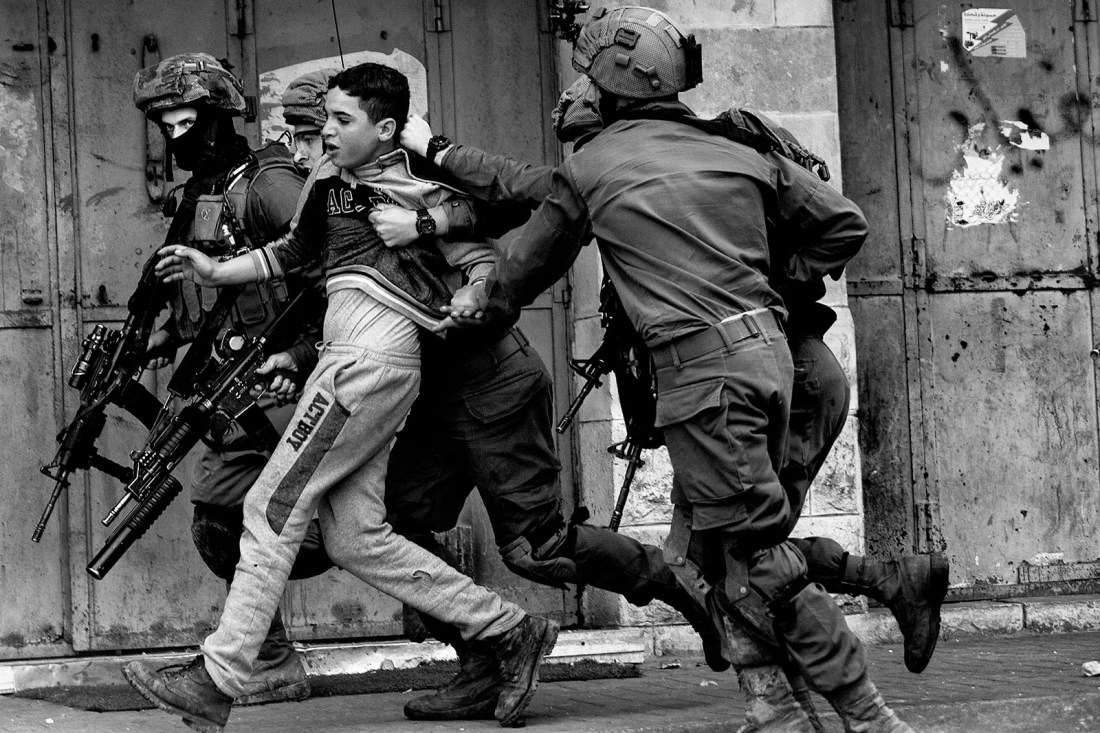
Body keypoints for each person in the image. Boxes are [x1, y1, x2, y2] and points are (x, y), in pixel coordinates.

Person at [441, 7, 915, 732]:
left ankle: (869, 715)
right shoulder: (737, 148)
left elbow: (517, 274)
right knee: (723, 549)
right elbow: (843, 223)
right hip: (770, 359)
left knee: (760, 560)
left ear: (606, 83)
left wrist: (477, 306)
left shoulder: (591, 167)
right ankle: (776, 710)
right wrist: (776, 273)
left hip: (704, 379)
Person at [276, 64, 728, 723]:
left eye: (318, 135)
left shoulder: (423, 177)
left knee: (536, 548)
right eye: (304, 138)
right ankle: (485, 659)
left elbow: (541, 197)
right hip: (435, 399)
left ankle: (686, 586)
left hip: (493, 385)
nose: (305, 152)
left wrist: (435, 177)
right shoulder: (332, 204)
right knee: (386, 523)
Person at [122, 62, 558, 733]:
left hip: (368, 363)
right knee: (355, 535)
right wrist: (213, 267)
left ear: (385, 128)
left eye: (341, 121)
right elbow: (289, 253)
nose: (324, 131)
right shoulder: (331, 184)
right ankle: (509, 629)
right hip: (346, 362)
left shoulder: (414, 188)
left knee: (271, 505)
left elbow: (487, 250)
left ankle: (218, 676)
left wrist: (460, 274)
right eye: (323, 119)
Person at [130, 53, 335, 707]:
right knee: (220, 521)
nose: (174, 137)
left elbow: (338, 277)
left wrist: (300, 355)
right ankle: (269, 658)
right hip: (237, 390)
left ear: (217, 118)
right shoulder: (208, 190)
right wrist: (171, 336)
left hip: (289, 386)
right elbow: (224, 294)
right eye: (164, 125)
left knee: (356, 531)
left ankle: (474, 622)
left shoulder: (268, 183)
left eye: (186, 121)